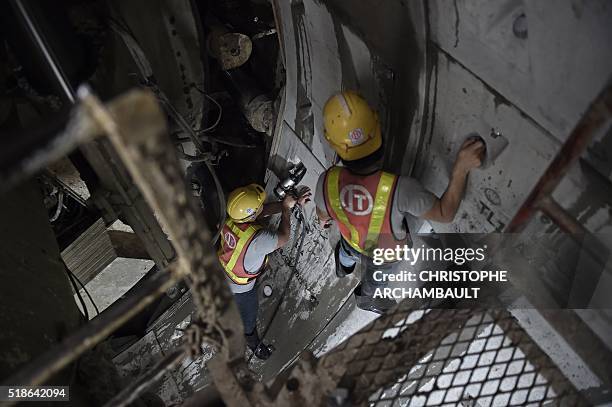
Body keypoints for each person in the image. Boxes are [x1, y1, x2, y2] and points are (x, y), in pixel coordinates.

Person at [314, 91, 484, 314]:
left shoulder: (326, 181)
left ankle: (343, 267)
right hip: (383, 257)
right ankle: (368, 300)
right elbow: (445, 213)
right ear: (377, 130)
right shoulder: (402, 189)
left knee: (347, 252)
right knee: (376, 282)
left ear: (335, 145)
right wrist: (461, 168)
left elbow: (323, 216)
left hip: (351, 242)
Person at [218, 183, 311, 359]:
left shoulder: (230, 216)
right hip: (240, 287)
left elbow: (261, 211)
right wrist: (285, 209)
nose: (262, 206)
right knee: (249, 317)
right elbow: (283, 237)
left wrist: (289, 203)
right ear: (251, 214)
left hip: (223, 271)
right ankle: (253, 343)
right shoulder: (259, 239)